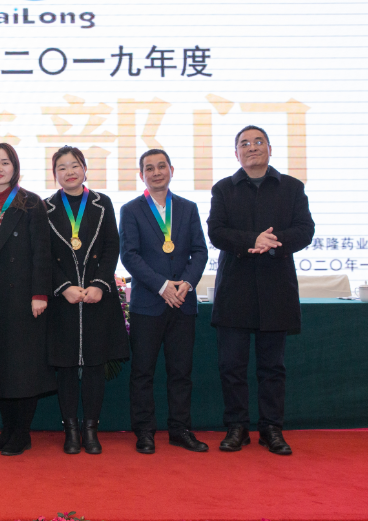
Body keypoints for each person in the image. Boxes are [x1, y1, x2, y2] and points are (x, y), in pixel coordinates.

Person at [207, 125, 314, 455]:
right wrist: (250, 240)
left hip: (275, 287)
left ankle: (271, 428)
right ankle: (237, 427)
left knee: (272, 367)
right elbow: (216, 232)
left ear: (270, 148)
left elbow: (305, 230)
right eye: (244, 143)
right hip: (235, 288)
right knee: (232, 366)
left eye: (258, 142)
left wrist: (273, 241)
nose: (251, 147)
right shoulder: (224, 189)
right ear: (236, 153)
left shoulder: (291, 187)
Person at [119, 149, 209, 455]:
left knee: (181, 372)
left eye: (161, 166)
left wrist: (185, 283)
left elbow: (200, 251)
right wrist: (161, 286)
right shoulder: (131, 210)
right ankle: (144, 431)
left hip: (183, 301)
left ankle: (180, 429)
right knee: (142, 372)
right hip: (148, 303)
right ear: (141, 174)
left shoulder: (187, 208)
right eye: (149, 168)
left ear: (172, 169)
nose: (156, 172)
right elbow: (129, 255)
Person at [45, 146, 129, 455]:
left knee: (95, 365)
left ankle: (91, 429)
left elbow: (111, 246)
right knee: (66, 367)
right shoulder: (46, 207)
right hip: (63, 299)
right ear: (54, 174)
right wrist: (63, 286)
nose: (69, 172)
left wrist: (99, 284)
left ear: (84, 169)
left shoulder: (102, 203)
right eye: (62, 167)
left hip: (97, 297)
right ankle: (70, 429)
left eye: (74, 165)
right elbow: (44, 255)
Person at [0, 142, 55, 456]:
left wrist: (39, 293)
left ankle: (22, 433)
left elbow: (42, 253)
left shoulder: (31, 203)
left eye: (5, 162)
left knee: (23, 368)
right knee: (1, 369)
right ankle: (7, 430)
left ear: (15, 167)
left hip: (23, 298)